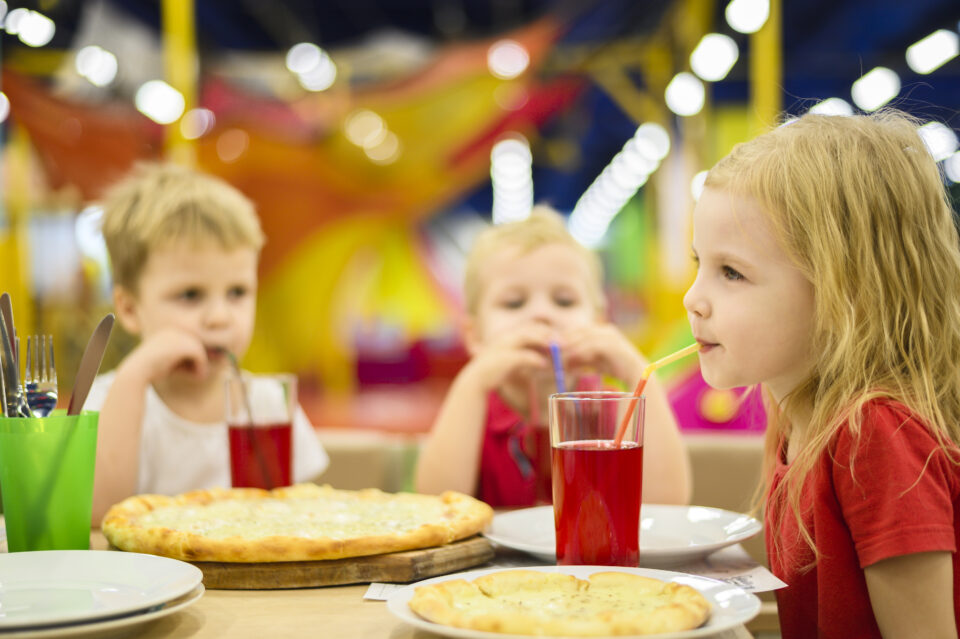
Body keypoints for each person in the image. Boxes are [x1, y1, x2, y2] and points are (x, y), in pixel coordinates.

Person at [683, 110, 960, 638]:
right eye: (698, 262)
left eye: (732, 272)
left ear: (845, 292)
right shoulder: (794, 418)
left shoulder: (873, 435)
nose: (692, 299)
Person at [87, 163, 329, 522]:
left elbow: (308, 513)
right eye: (190, 295)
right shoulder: (112, 399)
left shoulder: (268, 403)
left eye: (237, 292)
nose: (220, 317)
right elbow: (97, 516)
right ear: (129, 307)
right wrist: (135, 375)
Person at [415, 206, 691, 507]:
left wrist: (636, 371)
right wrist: (473, 381)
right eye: (514, 303)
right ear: (475, 336)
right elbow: (435, 506)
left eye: (564, 300)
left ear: (598, 324)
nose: (542, 314)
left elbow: (668, 504)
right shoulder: (472, 410)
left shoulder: (609, 408)